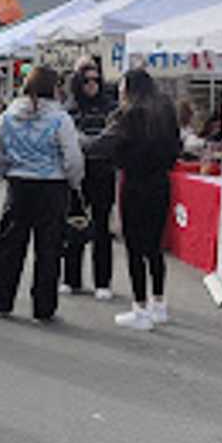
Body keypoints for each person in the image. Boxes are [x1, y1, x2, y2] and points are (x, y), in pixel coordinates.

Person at [0, 66, 84, 323]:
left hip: (19, 184)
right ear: (54, 88)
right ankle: (44, 307)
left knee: (10, 245)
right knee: (49, 249)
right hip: (52, 186)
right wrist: (73, 182)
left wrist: (9, 169)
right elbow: (73, 158)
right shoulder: (60, 119)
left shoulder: (8, 115)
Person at [88, 68, 180, 331]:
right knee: (154, 247)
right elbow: (177, 148)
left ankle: (140, 308)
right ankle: (159, 304)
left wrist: (76, 141)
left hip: (136, 184)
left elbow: (100, 146)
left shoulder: (130, 116)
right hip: (161, 183)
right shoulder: (165, 112)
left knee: (134, 248)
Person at [62, 59, 117, 300]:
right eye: (87, 80)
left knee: (102, 227)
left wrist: (89, 143)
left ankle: (102, 282)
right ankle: (70, 279)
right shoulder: (70, 107)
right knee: (74, 225)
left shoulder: (110, 106)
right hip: (77, 173)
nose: (92, 85)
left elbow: (114, 135)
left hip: (104, 172)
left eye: (96, 80)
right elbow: (67, 139)